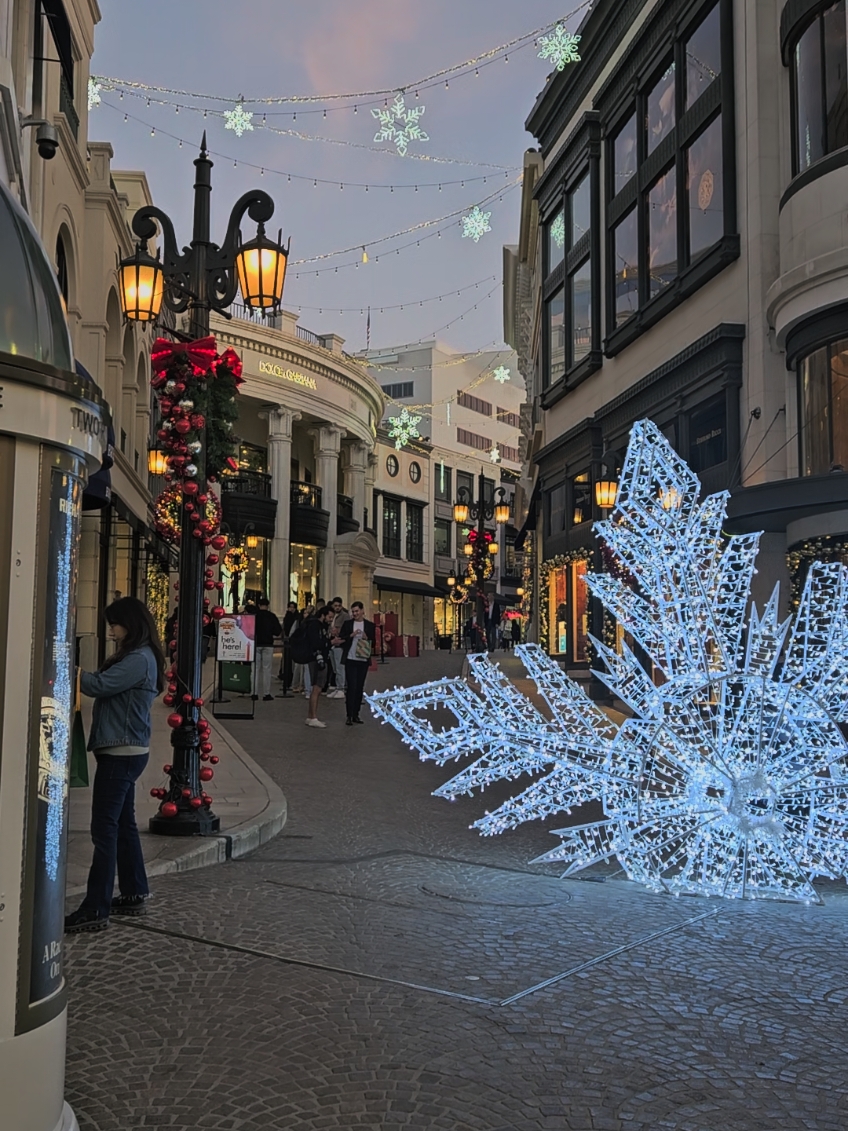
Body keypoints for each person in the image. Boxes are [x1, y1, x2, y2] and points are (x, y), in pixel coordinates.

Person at [65, 597, 166, 934]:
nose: (110, 630)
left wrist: (68, 668)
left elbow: (100, 685)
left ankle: (95, 907)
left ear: (131, 623)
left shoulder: (138, 658)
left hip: (121, 752)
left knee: (103, 829)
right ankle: (134, 890)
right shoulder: (140, 655)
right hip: (126, 749)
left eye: (115, 623)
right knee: (122, 824)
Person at [295, 605, 333, 728]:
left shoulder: (317, 625)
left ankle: (311, 716)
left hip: (316, 658)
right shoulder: (316, 626)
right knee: (317, 688)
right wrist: (330, 642)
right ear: (323, 615)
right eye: (329, 617)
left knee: (316, 688)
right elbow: (317, 643)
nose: (331, 619)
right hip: (316, 659)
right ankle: (313, 717)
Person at [338, 601, 376, 725]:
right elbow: (342, 638)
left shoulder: (369, 625)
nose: (355, 613)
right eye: (353, 611)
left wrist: (366, 637)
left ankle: (356, 714)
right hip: (350, 659)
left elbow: (374, 644)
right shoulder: (348, 624)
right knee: (351, 687)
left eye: (357, 611)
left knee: (359, 687)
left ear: (362, 611)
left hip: (363, 659)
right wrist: (351, 635)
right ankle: (349, 715)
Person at [252, 596, 282, 701]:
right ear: (268, 606)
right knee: (267, 669)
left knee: (255, 668)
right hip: (268, 644)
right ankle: (266, 693)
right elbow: (277, 631)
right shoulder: (272, 616)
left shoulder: (254, 616)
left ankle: (254, 693)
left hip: (256, 644)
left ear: (259, 605)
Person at [328, 597, 349, 700]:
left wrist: (338, 632)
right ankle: (338, 687)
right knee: (335, 667)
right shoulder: (332, 616)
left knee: (340, 667)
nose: (337, 608)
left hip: (339, 644)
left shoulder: (345, 616)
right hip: (332, 642)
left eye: (339, 606)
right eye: (335, 606)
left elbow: (347, 629)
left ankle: (341, 688)